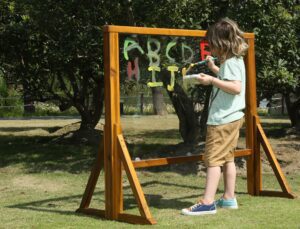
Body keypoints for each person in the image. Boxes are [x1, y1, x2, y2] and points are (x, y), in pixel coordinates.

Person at [182, 18, 248, 216]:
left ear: (221, 44)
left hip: (222, 120)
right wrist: (213, 71)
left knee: (213, 160)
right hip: (232, 117)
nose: (210, 48)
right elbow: (229, 79)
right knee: (227, 159)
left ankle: (207, 202)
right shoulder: (233, 61)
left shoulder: (231, 63)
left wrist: (211, 80)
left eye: (212, 44)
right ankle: (228, 198)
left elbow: (236, 87)